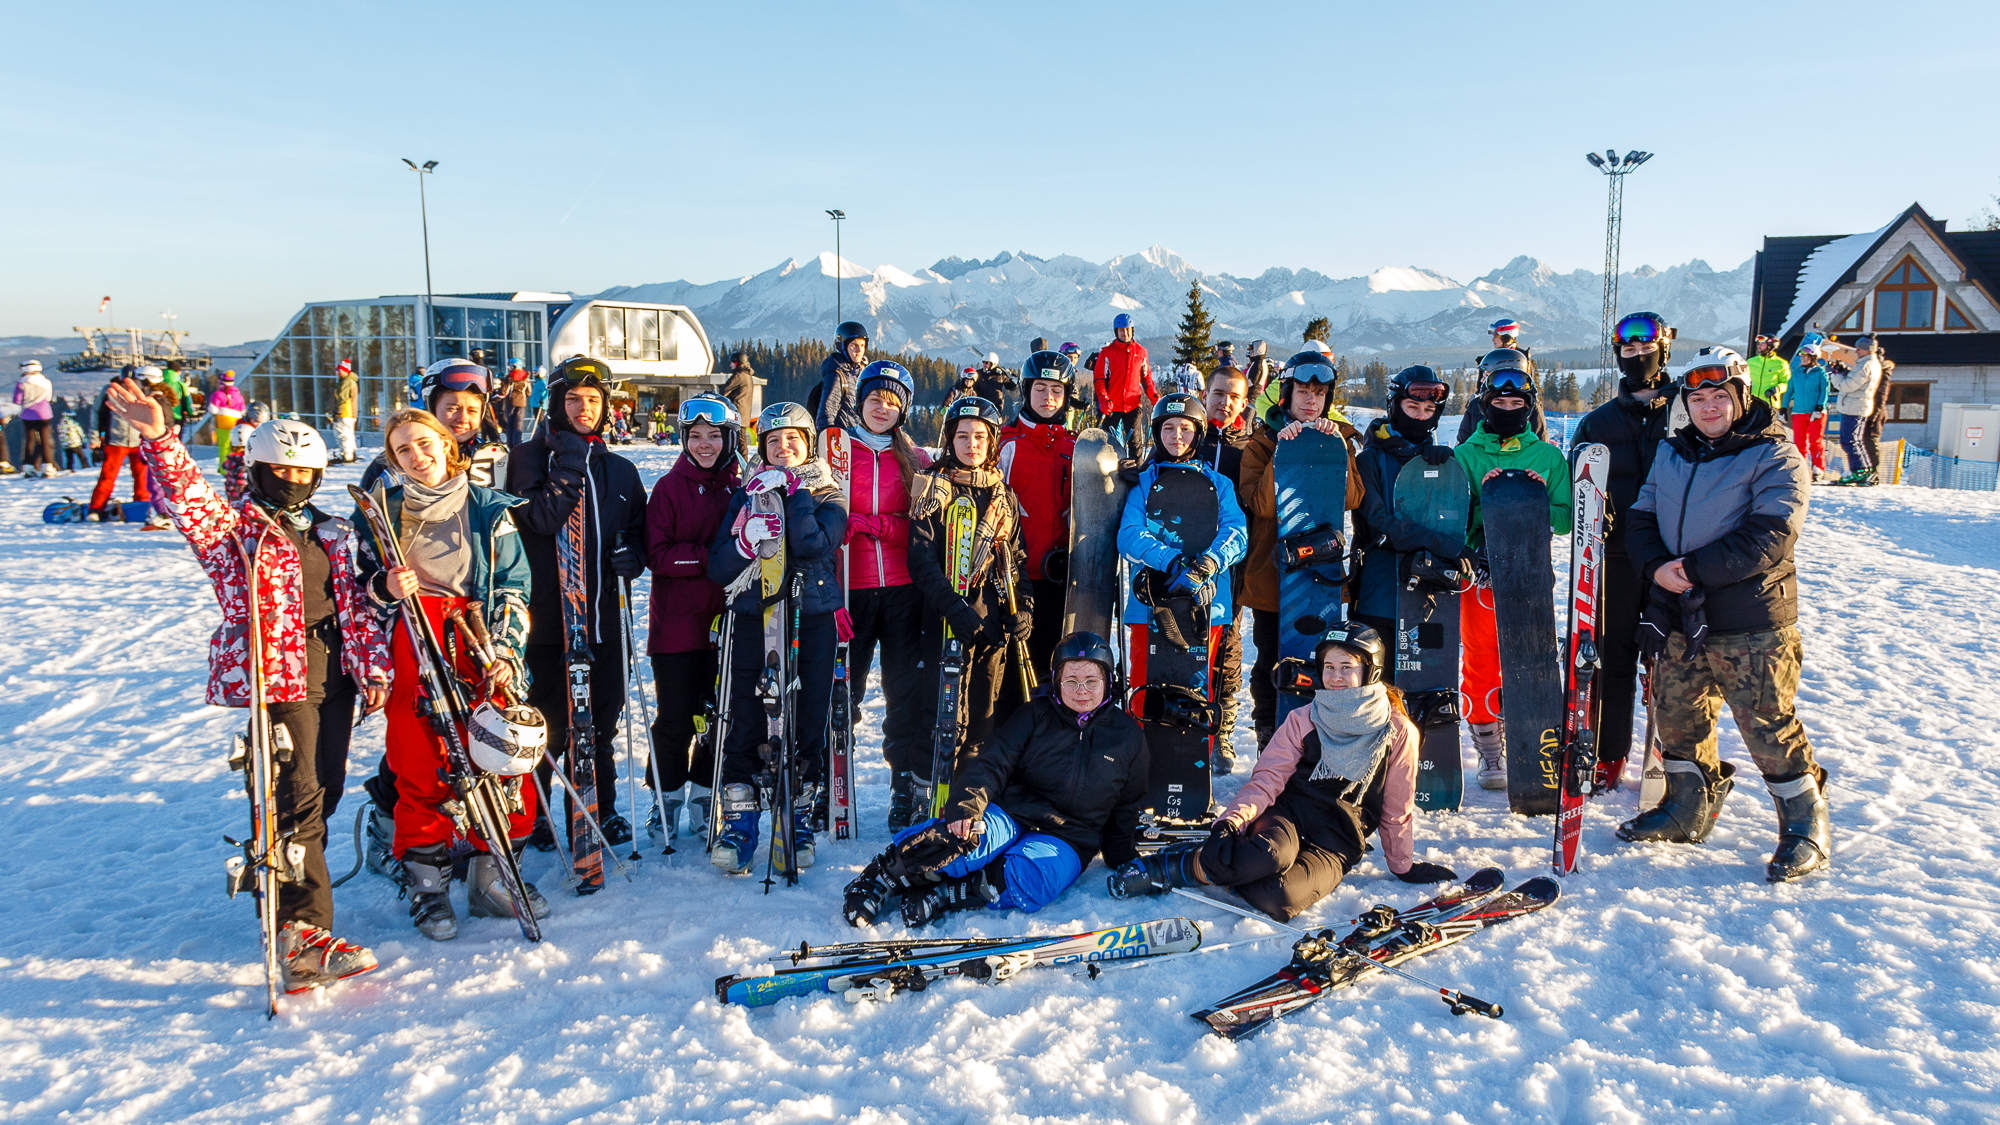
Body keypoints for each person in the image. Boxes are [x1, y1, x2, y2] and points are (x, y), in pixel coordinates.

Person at [108, 377, 389, 991]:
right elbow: (188, 501)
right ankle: (302, 934)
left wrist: (371, 666)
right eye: (279, 470)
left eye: (303, 472)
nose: (292, 480)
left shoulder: (334, 531)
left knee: (323, 793)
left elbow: (355, 608)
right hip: (279, 674)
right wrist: (160, 439)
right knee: (298, 797)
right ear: (258, 470)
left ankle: (283, 895)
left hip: (335, 671)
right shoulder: (236, 532)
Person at [1617, 347, 1828, 883]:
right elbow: (1641, 515)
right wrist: (1657, 567)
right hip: (1679, 614)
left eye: (1719, 396)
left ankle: (1804, 825)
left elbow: (1771, 534)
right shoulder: (1673, 451)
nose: (1708, 407)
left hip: (1750, 619)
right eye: (1698, 399)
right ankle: (1687, 807)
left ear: (1741, 396)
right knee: (1676, 716)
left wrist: (1689, 570)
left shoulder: (1774, 453)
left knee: (1766, 723)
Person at [1106, 623, 1455, 919]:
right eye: (1329, 667)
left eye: (1346, 667)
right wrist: (1230, 822)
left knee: (1280, 899)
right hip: (1288, 817)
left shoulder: (1397, 731)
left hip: (1336, 842)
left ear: (1369, 671)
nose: (1335, 677)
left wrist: (1402, 865)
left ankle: (1236, 861)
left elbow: (1396, 808)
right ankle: (1174, 866)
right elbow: (1267, 780)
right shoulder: (1304, 719)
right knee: (1269, 856)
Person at [353, 407, 547, 938]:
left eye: (424, 443)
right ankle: (428, 886)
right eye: (403, 450)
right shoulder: (382, 515)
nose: (417, 456)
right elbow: (356, 592)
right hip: (414, 641)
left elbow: (513, 584)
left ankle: (491, 878)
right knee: (422, 762)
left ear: (445, 443)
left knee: (502, 756)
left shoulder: (487, 508)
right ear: (393, 460)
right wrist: (383, 590)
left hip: (478, 637)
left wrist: (505, 649)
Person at [843, 632, 1148, 928]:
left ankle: (950, 893)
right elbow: (993, 762)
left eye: (1091, 681)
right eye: (1071, 680)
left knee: (1036, 879)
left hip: (1070, 835)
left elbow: (1126, 804)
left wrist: (1120, 855)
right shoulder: (1035, 715)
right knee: (964, 841)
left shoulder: (1128, 737)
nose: (1081, 690)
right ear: (1057, 680)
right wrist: (966, 807)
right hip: (1014, 812)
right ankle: (883, 876)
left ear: (1108, 682)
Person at [351, 359, 515, 869]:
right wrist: (382, 590)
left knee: (480, 734)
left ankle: (481, 843)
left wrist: (508, 640)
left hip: (473, 624)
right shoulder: (388, 487)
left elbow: (511, 561)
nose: (462, 417)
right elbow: (361, 571)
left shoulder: (494, 465)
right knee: (418, 740)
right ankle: (405, 836)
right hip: (416, 630)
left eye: (471, 408)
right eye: (451, 408)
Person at [507, 356, 649, 847]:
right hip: (548, 620)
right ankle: (538, 813)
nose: (583, 408)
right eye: (572, 399)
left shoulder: (621, 470)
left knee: (599, 724)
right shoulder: (528, 459)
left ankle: (597, 807)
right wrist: (569, 458)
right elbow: (541, 519)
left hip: (603, 619)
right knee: (544, 724)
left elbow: (639, 533)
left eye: (593, 400)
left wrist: (634, 556)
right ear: (555, 404)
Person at [705, 402, 848, 874]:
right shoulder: (745, 495)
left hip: (811, 616)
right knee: (747, 717)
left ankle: (797, 819)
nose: (783, 448)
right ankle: (740, 826)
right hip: (754, 617)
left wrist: (795, 493)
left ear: (807, 445)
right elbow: (719, 566)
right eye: (773, 441)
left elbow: (813, 543)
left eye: (792, 440)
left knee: (806, 719)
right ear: (762, 448)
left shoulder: (829, 493)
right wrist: (744, 542)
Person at [1569, 311, 1680, 786]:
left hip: (1673, 557)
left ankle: (1677, 756)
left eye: (1646, 348)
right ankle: (1609, 753)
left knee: (1674, 659)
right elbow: (1578, 480)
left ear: (1664, 348)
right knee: (1613, 658)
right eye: (1628, 350)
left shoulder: (1689, 410)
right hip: (1614, 557)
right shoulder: (1598, 422)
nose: (1638, 356)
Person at [1453, 350, 1572, 789]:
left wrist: (1536, 503)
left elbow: (1565, 518)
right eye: (1499, 403)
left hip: (1530, 575)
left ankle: (1532, 740)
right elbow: (1455, 518)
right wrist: (1485, 516)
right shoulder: (1465, 455)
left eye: (1516, 403)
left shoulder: (1548, 457)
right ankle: (1489, 750)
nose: (1507, 409)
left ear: (1529, 406)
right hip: (1482, 577)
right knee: (1481, 660)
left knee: (1529, 658)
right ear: (1484, 405)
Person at [907, 397, 1033, 809]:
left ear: (992, 442)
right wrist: (953, 607)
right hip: (944, 620)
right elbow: (921, 560)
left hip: (991, 623)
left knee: (982, 716)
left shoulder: (1003, 495)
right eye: (962, 436)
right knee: (940, 715)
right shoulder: (932, 487)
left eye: (980, 437)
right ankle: (924, 797)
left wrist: (1024, 610)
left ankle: (966, 800)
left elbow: (1017, 561)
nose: (971, 444)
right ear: (950, 439)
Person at [1238, 349, 1365, 751]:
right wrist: (1284, 452)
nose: (1312, 400)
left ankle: (1318, 736)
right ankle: (1268, 733)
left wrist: (1333, 449)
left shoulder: (1339, 439)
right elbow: (1261, 505)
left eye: (1320, 393)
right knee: (1270, 659)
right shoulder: (1261, 443)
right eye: (1303, 392)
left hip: (1321, 574)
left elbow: (1352, 498)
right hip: (1273, 574)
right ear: (1286, 394)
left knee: (1321, 658)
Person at [1119, 392, 1250, 773]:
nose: (1177, 436)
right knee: (1146, 680)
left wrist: (1208, 563)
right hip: (1152, 602)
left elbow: (1236, 532)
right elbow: (1129, 535)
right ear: (1157, 433)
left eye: (1186, 429)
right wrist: (1171, 561)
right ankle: (1142, 765)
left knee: (1197, 683)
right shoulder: (1143, 483)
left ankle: (1194, 766)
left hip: (1205, 602)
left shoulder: (1218, 483)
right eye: (1169, 428)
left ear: (1198, 433)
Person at [639, 394, 743, 844]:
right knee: (676, 718)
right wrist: (713, 558)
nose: (704, 445)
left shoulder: (740, 488)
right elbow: (658, 555)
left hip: (726, 624)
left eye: (714, 436)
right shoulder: (669, 488)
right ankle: (666, 797)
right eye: (695, 436)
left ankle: (703, 794)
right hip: (678, 628)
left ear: (729, 439)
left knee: (718, 716)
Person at [840, 362, 938, 831]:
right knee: (844, 691)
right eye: (875, 399)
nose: (882, 408)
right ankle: (829, 781)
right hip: (851, 590)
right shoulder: (837, 453)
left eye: (893, 402)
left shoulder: (917, 459)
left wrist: (877, 525)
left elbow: (925, 527)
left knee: (904, 694)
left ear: (904, 410)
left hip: (903, 591)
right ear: (860, 402)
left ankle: (904, 787)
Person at [1351, 366, 1461, 643]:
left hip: (1429, 594)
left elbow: (1452, 520)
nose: (1421, 416)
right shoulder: (1369, 460)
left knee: (1428, 667)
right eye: (1412, 407)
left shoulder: (1438, 462)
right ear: (1394, 406)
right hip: (1378, 595)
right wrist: (1446, 546)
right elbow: (1377, 527)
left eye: (1428, 410)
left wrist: (1449, 476)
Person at [997, 351, 1078, 724]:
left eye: (1056, 390)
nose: (1048, 397)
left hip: (1060, 579)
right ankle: (1009, 738)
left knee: (1053, 666)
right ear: (1026, 391)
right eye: (1040, 388)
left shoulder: (1076, 446)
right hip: (1016, 579)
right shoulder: (1006, 443)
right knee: (1013, 671)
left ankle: (1052, 738)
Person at [1198, 366, 1253, 771]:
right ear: (1205, 394)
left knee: (1227, 643)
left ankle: (1222, 731)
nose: (1225, 402)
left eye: (1234, 396)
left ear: (1244, 402)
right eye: (1218, 393)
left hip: (1231, 563)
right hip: (1184, 559)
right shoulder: (1185, 436)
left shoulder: (1250, 448)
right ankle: (1185, 722)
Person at [360, 358, 509, 492]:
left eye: (472, 411)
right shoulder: (395, 465)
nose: (463, 419)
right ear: (431, 409)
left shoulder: (494, 460)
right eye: (452, 409)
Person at [1457, 320, 1548, 443]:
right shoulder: (1476, 406)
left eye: (1496, 336)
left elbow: (1539, 444)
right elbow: (1464, 444)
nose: (1493, 340)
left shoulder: (1520, 361)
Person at [90, 367, 159, 521]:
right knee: (108, 475)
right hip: (116, 440)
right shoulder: (109, 390)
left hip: (138, 440)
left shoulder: (143, 391)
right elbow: (98, 413)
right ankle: (96, 507)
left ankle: (142, 505)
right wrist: (95, 438)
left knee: (142, 477)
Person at [1091, 313, 1158, 461]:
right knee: (1106, 441)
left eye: (1128, 329)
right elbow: (1099, 379)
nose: (1125, 333)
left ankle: (1137, 471)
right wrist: (1103, 399)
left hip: (1133, 405)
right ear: (1116, 332)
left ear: (1132, 330)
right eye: (1121, 330)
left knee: (1135, 442)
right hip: (1112, 406)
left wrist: (1153, 395)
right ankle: (1105, 469)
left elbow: (1146, 377)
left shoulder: (1141, 352)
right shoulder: (1107, 353)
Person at [1830, 335, 1883, 485]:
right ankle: (1862, 470)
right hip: (1857, 405)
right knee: (1853, 440)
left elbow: (1848, 386)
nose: (1856, 351)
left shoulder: (1864, 366)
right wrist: (1843, 371)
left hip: (1854, 407)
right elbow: (1856, 381)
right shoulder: (1869, 364)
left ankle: (1860, 470)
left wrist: (1834, 375)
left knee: (1849, 440)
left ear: (1867, 350)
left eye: (1859, 349)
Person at [1781, 344, 1833, 480]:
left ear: (1814, 357)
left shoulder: (1820, 373)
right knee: (1799, 443)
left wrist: (1819, 407)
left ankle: (1818, 468)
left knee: (1815, 442)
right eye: (1802, 356)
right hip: (1798, 412)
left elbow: (1824, 391)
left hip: (1816, 413)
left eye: (1806, 356)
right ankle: (1801, 468)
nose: (1802, 358)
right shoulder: (1796, 373)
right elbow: (1789, 391)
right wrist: (1783, 408)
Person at [811, 321, 869, 433]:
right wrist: (827, 437)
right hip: (843, 438)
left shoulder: (859, 374)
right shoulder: (836, 375)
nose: (859, 350)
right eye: (854, 345)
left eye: (862, 345)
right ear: (843, 346)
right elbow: (827, 411)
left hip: (859, 436)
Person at [13, 360, 57, 478]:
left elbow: (17, 400)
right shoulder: (46, 382)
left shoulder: (21, 383)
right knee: (45, 439)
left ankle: (28, 466)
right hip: (44, 413)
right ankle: (47, 465)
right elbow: (48, 398)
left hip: (27, 414)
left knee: (30, 440)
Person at [209, 370, 247, 459]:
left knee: (224, 447)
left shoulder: (218, 394)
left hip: (223, 423)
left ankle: (224, 465)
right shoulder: (239, 396)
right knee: (235, 447)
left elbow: (213, 410)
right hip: (236, 423)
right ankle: (235, 464)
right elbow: (243, 411)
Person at [1748, 335, 1790, 409]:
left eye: (1762, 344)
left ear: (1770, 346)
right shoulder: (1750, 362)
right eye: (1759, 344)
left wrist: (1776, 389)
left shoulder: (1781, 364)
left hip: (1770, 405)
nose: (1759, 346)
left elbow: (1787, 383)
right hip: (1751, 404)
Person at [332, 358, 359, 464]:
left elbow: (343, 398)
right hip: (349, 414)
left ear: (346, 371)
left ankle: (346, 456)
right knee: (349, 434)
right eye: (337, 370)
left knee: (342, 434)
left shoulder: (346, 382)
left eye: (340, 370)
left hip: (345, 413)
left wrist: (337, 411)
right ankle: (351, 454)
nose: (338, 372)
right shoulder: (349, 381)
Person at [722, 352, 758, 425]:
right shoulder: (747, 375)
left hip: (736, 415)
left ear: (737, 363)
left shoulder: (739, 376)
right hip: (744, 416)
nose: (730, 365)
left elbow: (724, 391)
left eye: (731, 363)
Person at [502, 359, 531, 444]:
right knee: (518, 424)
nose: (509, 368)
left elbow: (504, 391)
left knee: (510, 424)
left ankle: (510, 443)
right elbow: (528, 392)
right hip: (522, 403)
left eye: (510, 366)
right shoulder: (526, 377)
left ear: (515, 366)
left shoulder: (509, 377)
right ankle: (517, 443)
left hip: (510, 402)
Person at [57, 400, 89, 472]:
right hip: (75, 443)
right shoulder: (73, 423)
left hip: (65, 444)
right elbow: (80, 432)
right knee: (82, 456)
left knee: (69, 458)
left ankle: (69, 469)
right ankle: (86, 467)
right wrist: (84, 441)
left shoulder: (60, 424)